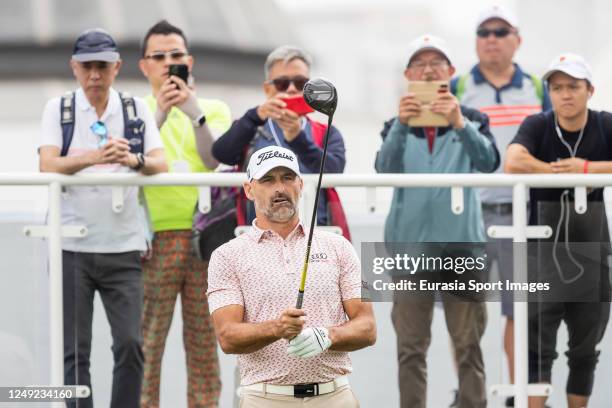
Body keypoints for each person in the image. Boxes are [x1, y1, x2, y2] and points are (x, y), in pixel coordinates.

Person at [38, 28, 167, 407]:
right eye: (88, 66)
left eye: (103, 66)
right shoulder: (58, 108)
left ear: (116, 68)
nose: (95, 74)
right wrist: (96, 157)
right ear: (74, 67)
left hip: (123, 245)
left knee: (130, 344)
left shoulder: (134, 109)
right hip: (71, 245)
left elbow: (159, 163)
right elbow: (47, 163)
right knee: (74, 350)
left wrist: (131, 159)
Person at [375, 34, 500, 408]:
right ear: (408, 74)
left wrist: (460, 122)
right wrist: (400, 124)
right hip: (410, 248)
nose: (429, 69)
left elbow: (489, 163)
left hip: (462, 245)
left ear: (451, 72)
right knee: (411, 348)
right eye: (420, 63)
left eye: (437, 63)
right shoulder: (394, 124)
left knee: (468, 343)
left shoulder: (473, 119)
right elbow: (385, 167)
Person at [207, 146, 376, 407]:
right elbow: (228, 337)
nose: (280, 188)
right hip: (264, 397)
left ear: (300, 184)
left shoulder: (339, 246)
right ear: (249, 189)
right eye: (268, 180)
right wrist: (277, 328)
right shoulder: (226, 256)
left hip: (334, 396)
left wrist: (327, 336)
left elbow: (368, 327)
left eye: (287, 178)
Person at [450, 6, 551, 406]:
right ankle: (469, 393)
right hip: (468, 218)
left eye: (500, 30)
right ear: (476, 40)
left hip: (524, 215)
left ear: (517, 39)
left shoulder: (539, 88)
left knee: (519, 311)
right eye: (483, 31)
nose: (491, 38)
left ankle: (515, 392)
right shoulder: (457, 88)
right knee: (466, 315)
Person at [505, 53, 611, 408]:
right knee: (537, 348)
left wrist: (586, 168)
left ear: (589, 90)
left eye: (573, 87)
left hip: (592, 251)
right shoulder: (538, 124)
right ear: (549, 93)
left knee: (585, 348)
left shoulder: (604, 124)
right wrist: (555, 173)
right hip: (541, 252)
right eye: (557, 88)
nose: (565, 94)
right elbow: (513, 161)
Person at [137, 20, 232, 408]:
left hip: (205, 238)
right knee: (147, 340)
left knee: (204, 341)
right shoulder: (135, 109)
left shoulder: (214, 108)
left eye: (176, 55)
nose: (168, 63)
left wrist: (195, 113)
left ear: (189, 61)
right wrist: (158, 114)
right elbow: (133, 159)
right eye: (158, 57)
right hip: (153, 235)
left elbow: (217, 160)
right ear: (144, 66)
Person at [211, 45, 350, 239]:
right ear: (268, 89)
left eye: (300, 83)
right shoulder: (251, 127)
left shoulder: (326, 131)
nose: (292, 89)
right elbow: (221, 153)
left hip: (315, 233)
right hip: (258, 235)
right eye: (282, 84)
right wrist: (254, 116)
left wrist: (297, 138)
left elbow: (334, 170)